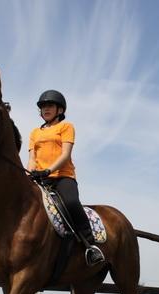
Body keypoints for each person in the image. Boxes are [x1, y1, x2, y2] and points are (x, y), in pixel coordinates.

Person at [27, 90, 105, 266]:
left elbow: (65, 155)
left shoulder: (66, 127)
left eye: (50, 106)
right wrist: (29, 174)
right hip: (40, 178)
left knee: (70, 202)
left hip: (62, 176)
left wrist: (48, 170)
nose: (46, 109)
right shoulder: (34, 133)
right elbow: (32, 159)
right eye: (43, 106)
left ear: (59, 110)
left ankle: (90, 245)